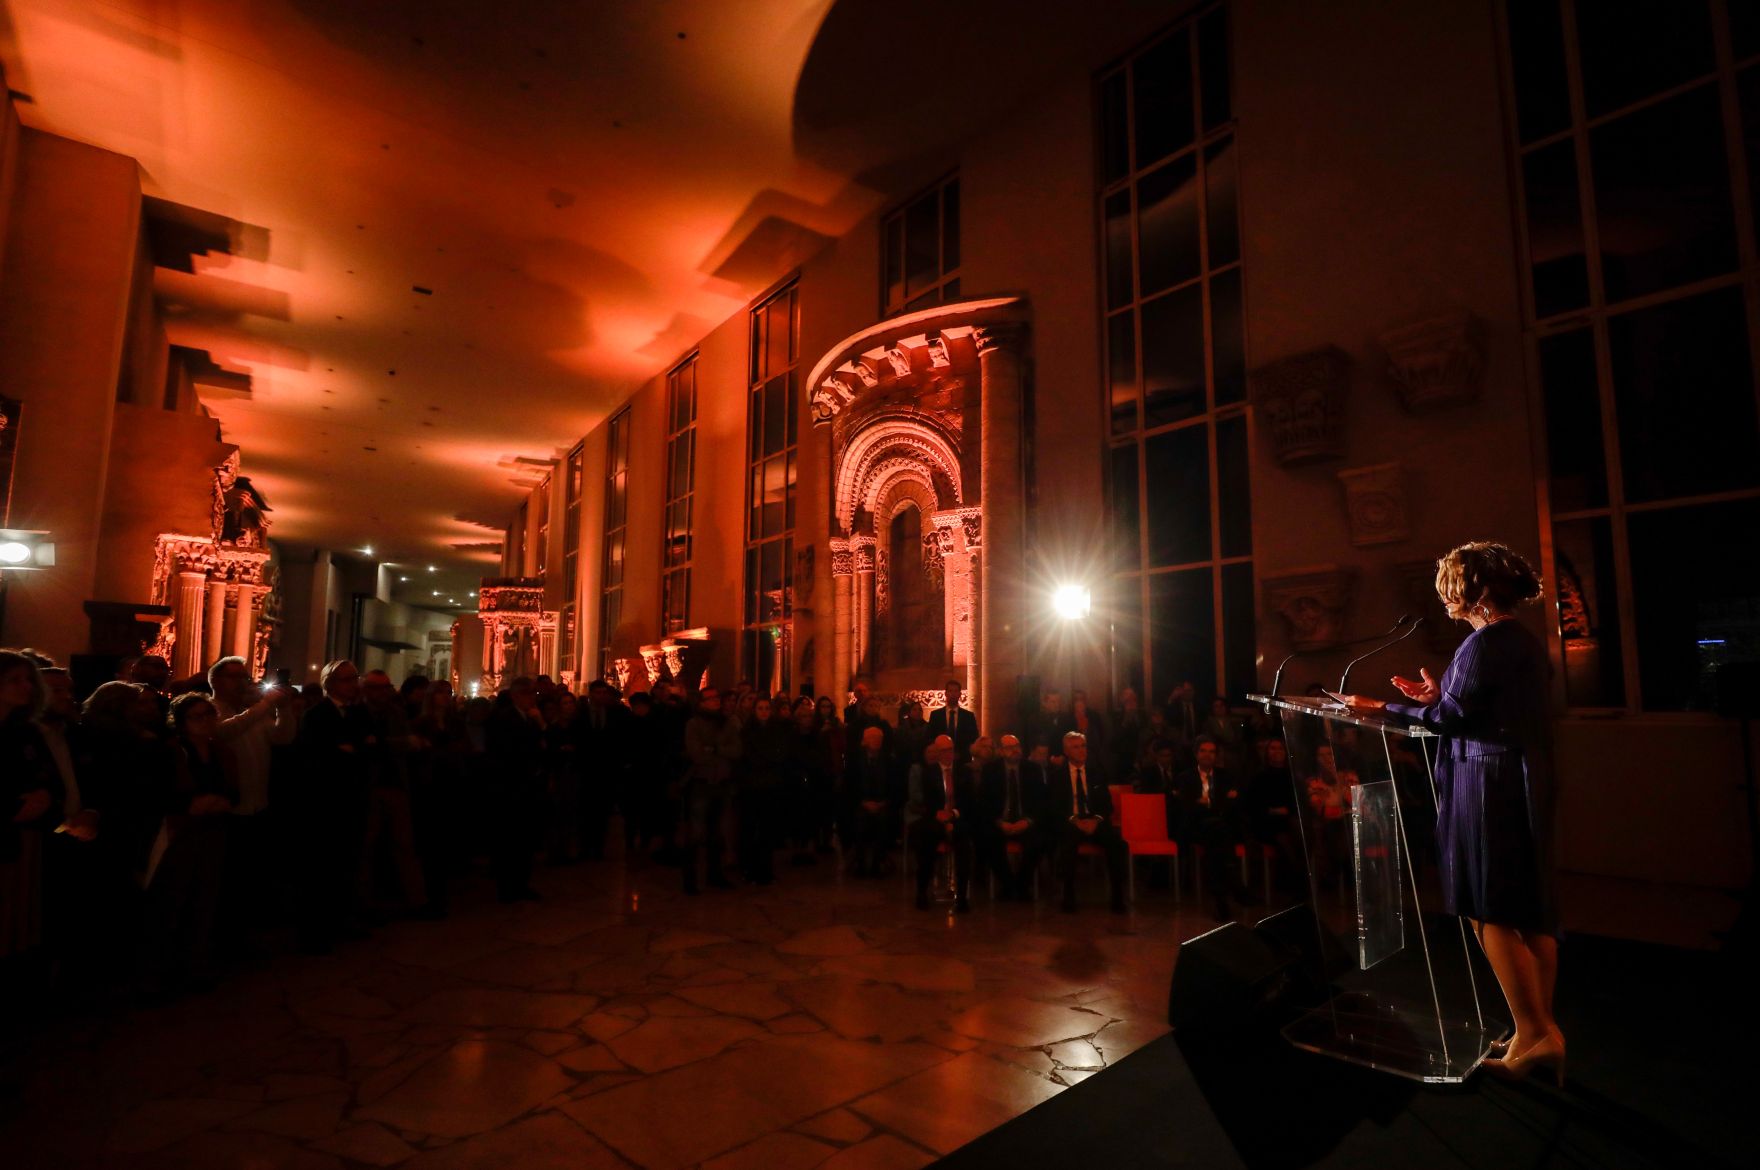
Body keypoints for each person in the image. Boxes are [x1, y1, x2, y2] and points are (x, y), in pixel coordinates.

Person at [1338, 541, 1561, 1084]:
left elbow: (1448, 720)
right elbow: (1470, 709)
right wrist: (1439, 696)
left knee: (1489, 910)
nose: (1443, 597)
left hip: (1488, 783)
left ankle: (1535, 1034)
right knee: (1527, 909)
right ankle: (1538, 1030)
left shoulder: (1484, 643)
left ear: (1474, 589)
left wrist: (1380, 707)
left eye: (1449, 585)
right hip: (1518, 778)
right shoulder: (1521, 641)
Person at [1170, 736, 1257, 921]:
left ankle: (1220, 900)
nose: (1207, 755)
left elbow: (1234, 804)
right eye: (1203, 751)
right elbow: (1186, 807)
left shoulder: (1226, 776)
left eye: (1211, 752)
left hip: (1219, 828)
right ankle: (1236, 885)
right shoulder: (1184, 777)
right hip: (1195, 828)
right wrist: (1217, 801)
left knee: (1216, 841)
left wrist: (1205, 802)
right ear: (1196, 754)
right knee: (1218, 833)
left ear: (1216, 755)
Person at [1046, 731, 1127, 913]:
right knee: (1067, 843)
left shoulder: (1097, 772)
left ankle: (1117, 896)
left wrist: (1096, 820)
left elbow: (1106, 805)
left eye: (1083, 746)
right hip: (1071, 822)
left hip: (1094, 820)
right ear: (1066, 751)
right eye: (1075, 747)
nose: (1081, 751)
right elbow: (1054, 807)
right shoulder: (1057, 776)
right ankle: (1068, 895)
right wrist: (1074, 820)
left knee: (1117, 844)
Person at [485, 677, 547, 903]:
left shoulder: (529, 719)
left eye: (533, 694)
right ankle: (508, 886)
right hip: (511, 788)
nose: (532, 698)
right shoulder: (505, 719)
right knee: (510, 840)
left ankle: (521, 883)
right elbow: (510, 752)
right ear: (516, 696)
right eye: (528, 694)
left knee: (524, 839)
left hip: (527, 787)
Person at [680, 687, 740, 894]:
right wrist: (719, 752)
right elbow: (697, 753)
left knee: (717, 833)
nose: (716, 702)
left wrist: (714, 749)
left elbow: (737, 750)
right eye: (711, 699)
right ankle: (690, 879)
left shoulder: (728, 723)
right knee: (696, 834)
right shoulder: (693, 724)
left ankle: (715, 874)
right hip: (701, 783)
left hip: (722, 782)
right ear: (702, 703)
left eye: (717, 698)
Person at [907, 735, 976, 912]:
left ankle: (961, 897)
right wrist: (940, 816)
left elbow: (968, 801)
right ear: (937, 753)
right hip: (935, 818)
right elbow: (928, 802)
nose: (948, 754)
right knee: (926, 844)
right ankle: (922, 891)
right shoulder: (929, 773)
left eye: (951, 750)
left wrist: (952, 815)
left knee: (964, 846)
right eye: (944, 751)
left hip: (957, 817)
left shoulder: (963, 772)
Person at [980, 735, 1048, 901]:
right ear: (1001, 751)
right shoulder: (990, 770)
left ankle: (1022, 884)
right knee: (988, 841)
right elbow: (984, 801)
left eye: (1017, 746)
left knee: (1038, 841)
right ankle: (1008, 884)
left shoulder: (1033, 769)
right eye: (1009, 748)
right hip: (1000, 821)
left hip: (1025, 821)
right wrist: (999, 822)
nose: (1015, 750)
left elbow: (1041, 801)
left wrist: (1027, 821)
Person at [843, 726, 898, 877]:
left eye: (879, 738)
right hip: (861, 802)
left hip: (883, 802)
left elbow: (894, 786)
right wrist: (863, 802)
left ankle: (877, 862)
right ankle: (860, 862)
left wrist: (882, 803)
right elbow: (849, 786)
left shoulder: (889, 760)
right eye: (873, 738)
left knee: (883, 820)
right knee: (859, 821)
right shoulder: (854, 760)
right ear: (865, 741)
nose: (877, 741)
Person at [926, 679, 978, 761]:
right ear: (946, 693)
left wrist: (961, 753)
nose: (953, 694)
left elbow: (973, 738)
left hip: (962, 760)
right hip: (941, 759)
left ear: (960, 694)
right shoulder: (935, 715)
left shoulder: (968, 716)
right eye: (950, 691)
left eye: (956, 691)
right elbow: (931, 737)